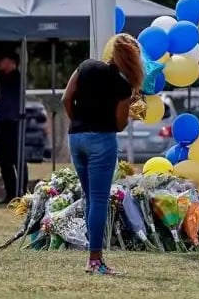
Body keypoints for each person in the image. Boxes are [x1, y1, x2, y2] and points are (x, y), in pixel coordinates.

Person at [62, 33, 143, 277]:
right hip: (102, 141)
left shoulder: (86, 66)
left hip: (76, 138)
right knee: (98, 199)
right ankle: (95, 259)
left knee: (89, 198)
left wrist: (78, 122)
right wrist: (130, 112)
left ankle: (93, 254)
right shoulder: (123, 86)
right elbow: (119, 125)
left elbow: (66, 98)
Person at [0, 42, 25, 204]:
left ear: (11, 62)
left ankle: (21, 192)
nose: (0, 63)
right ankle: (10, 192)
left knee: (17, 158)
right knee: (3, 159)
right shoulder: (1, 76)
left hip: (14, 121)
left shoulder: (17, 77)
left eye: (3, 60)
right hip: (2, 120)